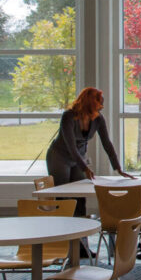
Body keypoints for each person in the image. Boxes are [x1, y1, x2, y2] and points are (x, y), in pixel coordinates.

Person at [46, 87, 132, 217]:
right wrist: (85, 168)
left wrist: (118, 168)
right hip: (60, 157)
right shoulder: (68, 116)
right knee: (62, 193)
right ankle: (62, 229)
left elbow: (107, 144)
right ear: (90, 103)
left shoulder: (98, 119)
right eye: (100, 103)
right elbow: (71, 146)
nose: (102, 107)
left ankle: (81, 231)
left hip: (79, 157)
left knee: (80, 194)